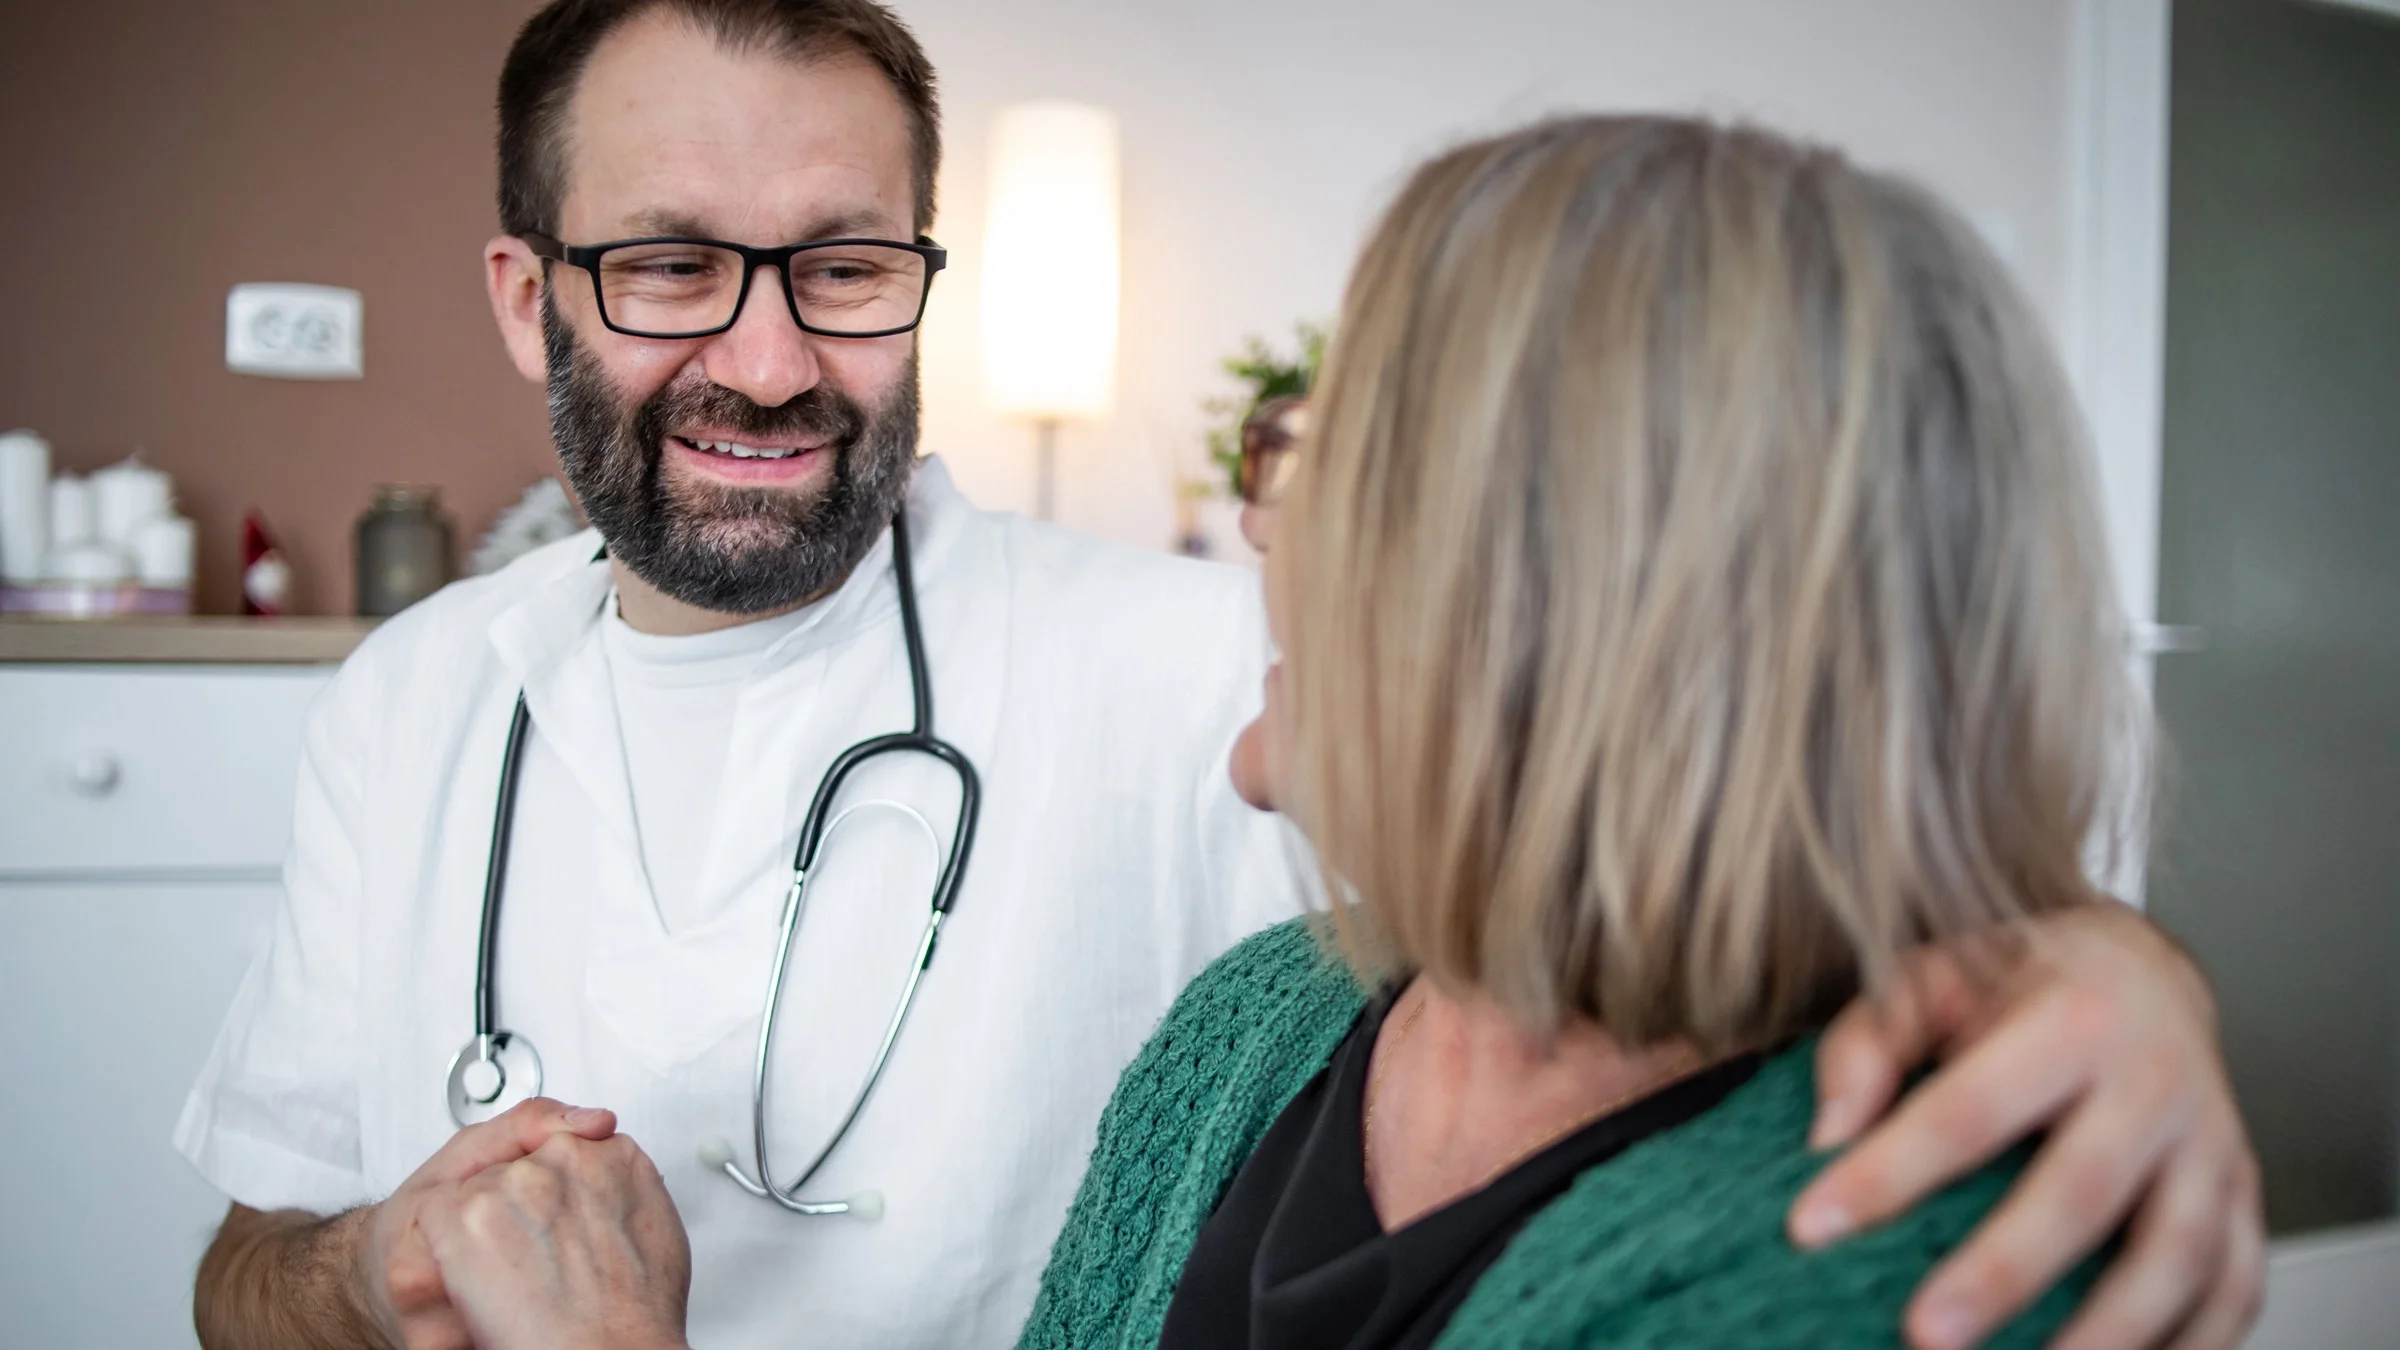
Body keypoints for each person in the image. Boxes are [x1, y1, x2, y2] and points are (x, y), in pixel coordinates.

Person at [179, 4, 2260, 1349]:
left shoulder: (1186, 681)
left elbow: (1709, 773)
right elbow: (239, 1267)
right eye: (664, 267)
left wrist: (2118, 966)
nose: (768, 356)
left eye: (844, 264)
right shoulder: (410, 697)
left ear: (922, 273)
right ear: (526, 297)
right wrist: (376, 1271)